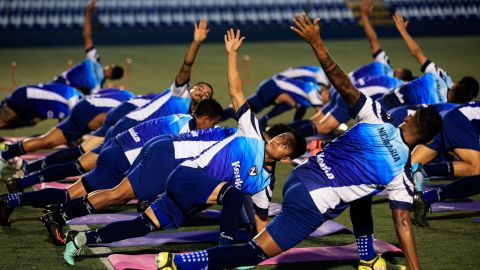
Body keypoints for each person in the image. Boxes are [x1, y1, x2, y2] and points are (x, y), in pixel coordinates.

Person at [155, 14, 444, 270]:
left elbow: (341, 82)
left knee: (362, 195)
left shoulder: (377, 116)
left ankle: (367, 258)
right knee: (254, 253)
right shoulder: (401, 175)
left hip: (298, 177)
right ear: (428, 140)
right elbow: (402, 222)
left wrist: (317, 43)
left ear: (409, 119)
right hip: (312, 201)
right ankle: (177, 263)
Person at [60, 28, 306, 265]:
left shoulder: (263, 184)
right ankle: (223, 255)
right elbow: (236, 91)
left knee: (143, 225)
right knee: (232, 194)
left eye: (287, 145)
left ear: (286, 159)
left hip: (195, 196)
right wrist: (232, 54)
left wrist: (260, 252)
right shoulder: (251, 132)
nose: (280, 140)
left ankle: (81, 239)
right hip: (187, 174)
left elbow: (261, 223)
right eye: (281, 136)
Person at [8, 17, 213, 182]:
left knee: (82, 158)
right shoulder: (180, 94)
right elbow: (186, 66)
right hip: (127, 129)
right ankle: (28, 175)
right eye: (201, 88)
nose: (203, 93)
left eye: (207, 94)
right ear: (191, 87)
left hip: (134, 134)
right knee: (86, 163)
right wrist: (196, 42)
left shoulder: (190, 118)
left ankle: (28, 171)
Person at [0, 99, 224, 227]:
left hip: (116, 148)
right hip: (121, 159)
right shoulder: (181, 131)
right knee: (80, 194)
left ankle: (27, 204)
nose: (212, 129)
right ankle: (30, 207)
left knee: (80, 191)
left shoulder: (181, 118)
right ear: (204, 119)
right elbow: (151, 150)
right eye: (212, 124)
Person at [0, 88, 134, 175]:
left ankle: (8, 153)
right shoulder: (136, 109)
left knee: (48, 140)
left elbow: (101, 94)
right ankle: (29, 169)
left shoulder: (128, 94)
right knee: (85, 151)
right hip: (94, 115)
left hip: (83, 106)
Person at [410, 101, 480, 226]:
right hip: (459, 122)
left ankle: (363, 190)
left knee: (407, 167)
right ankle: (427, 191)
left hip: (449, 117)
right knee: (476, 168)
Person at [221, 65, 328, 128]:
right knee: (243, 107)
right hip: (274, 85)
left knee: (293, 103)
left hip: (276, 84)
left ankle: (264, 120)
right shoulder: (317, 84)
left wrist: (296, 124)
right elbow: (320, 113)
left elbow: (302, 108)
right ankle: (216, 116)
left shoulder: (312, 87)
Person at [52, 0, 123, 94]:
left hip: (58, 85)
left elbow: (87, 36)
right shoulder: (97, 88)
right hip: (63, 92)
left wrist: (88, 14)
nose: (109, 67)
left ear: (110, 70)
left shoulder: (94, 59)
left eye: (111, 68)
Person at [349, 0, 414, 82]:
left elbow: (373, 40)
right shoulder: (388, 89)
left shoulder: (384, 63)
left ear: (400, 71)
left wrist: (364, 16)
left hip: (342, 83)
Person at [0, 83, 82, 129]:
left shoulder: (74, 100)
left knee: (31, 122)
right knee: (2, 121)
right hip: (25, 97)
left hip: (35, 108)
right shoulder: (73, 102)